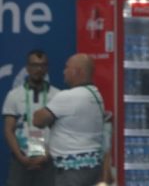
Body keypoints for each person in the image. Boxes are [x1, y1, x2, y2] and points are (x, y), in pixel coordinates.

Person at [32, 53, 108, 186]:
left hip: (72, 170)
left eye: (67, 68)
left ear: (77, 71)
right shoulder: (95, 94)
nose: (63, 71)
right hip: (92, 167)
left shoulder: (68, 96)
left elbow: (38, 121)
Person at [2, 50, 59, 186]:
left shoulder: (57, 96)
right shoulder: (14, 95)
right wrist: (20, 156)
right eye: (34, 65)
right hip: (20, 160)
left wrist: (47, 156)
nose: (38, 69)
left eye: (42, 65)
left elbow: (61, 131)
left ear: (47, 68)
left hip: (48, 160)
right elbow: (9, 130)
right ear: (27, 68)